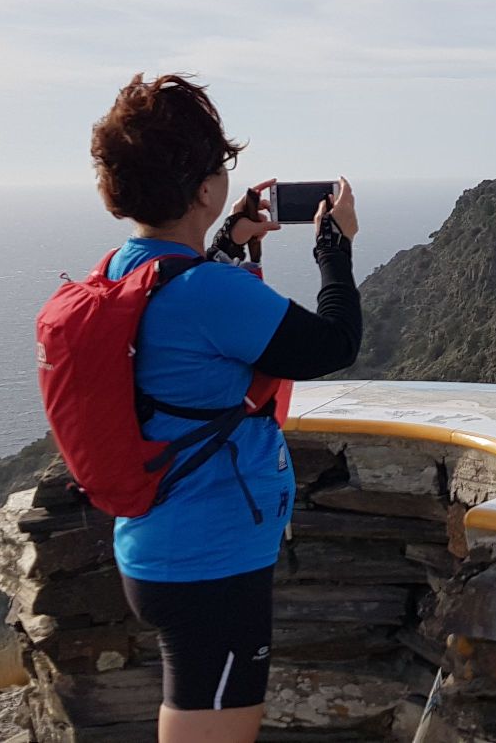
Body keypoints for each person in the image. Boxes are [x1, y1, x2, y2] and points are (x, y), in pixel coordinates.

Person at [87, 73, 362, 743]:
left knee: (195, 709)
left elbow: (181, 327)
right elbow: (333, 345)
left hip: (163, 542)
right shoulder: (208, 292)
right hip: (209, 557)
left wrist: (228, 247)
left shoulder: (127, 269)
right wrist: (335, 248)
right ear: (205, 190)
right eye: (218, 168)